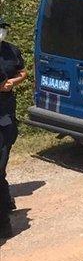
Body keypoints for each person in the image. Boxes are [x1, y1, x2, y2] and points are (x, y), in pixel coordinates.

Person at [0, 19, 28, 241]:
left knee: (3, 158)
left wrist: (13, 82)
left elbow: (23, 72)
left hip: (5, 115)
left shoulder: (11, 51)